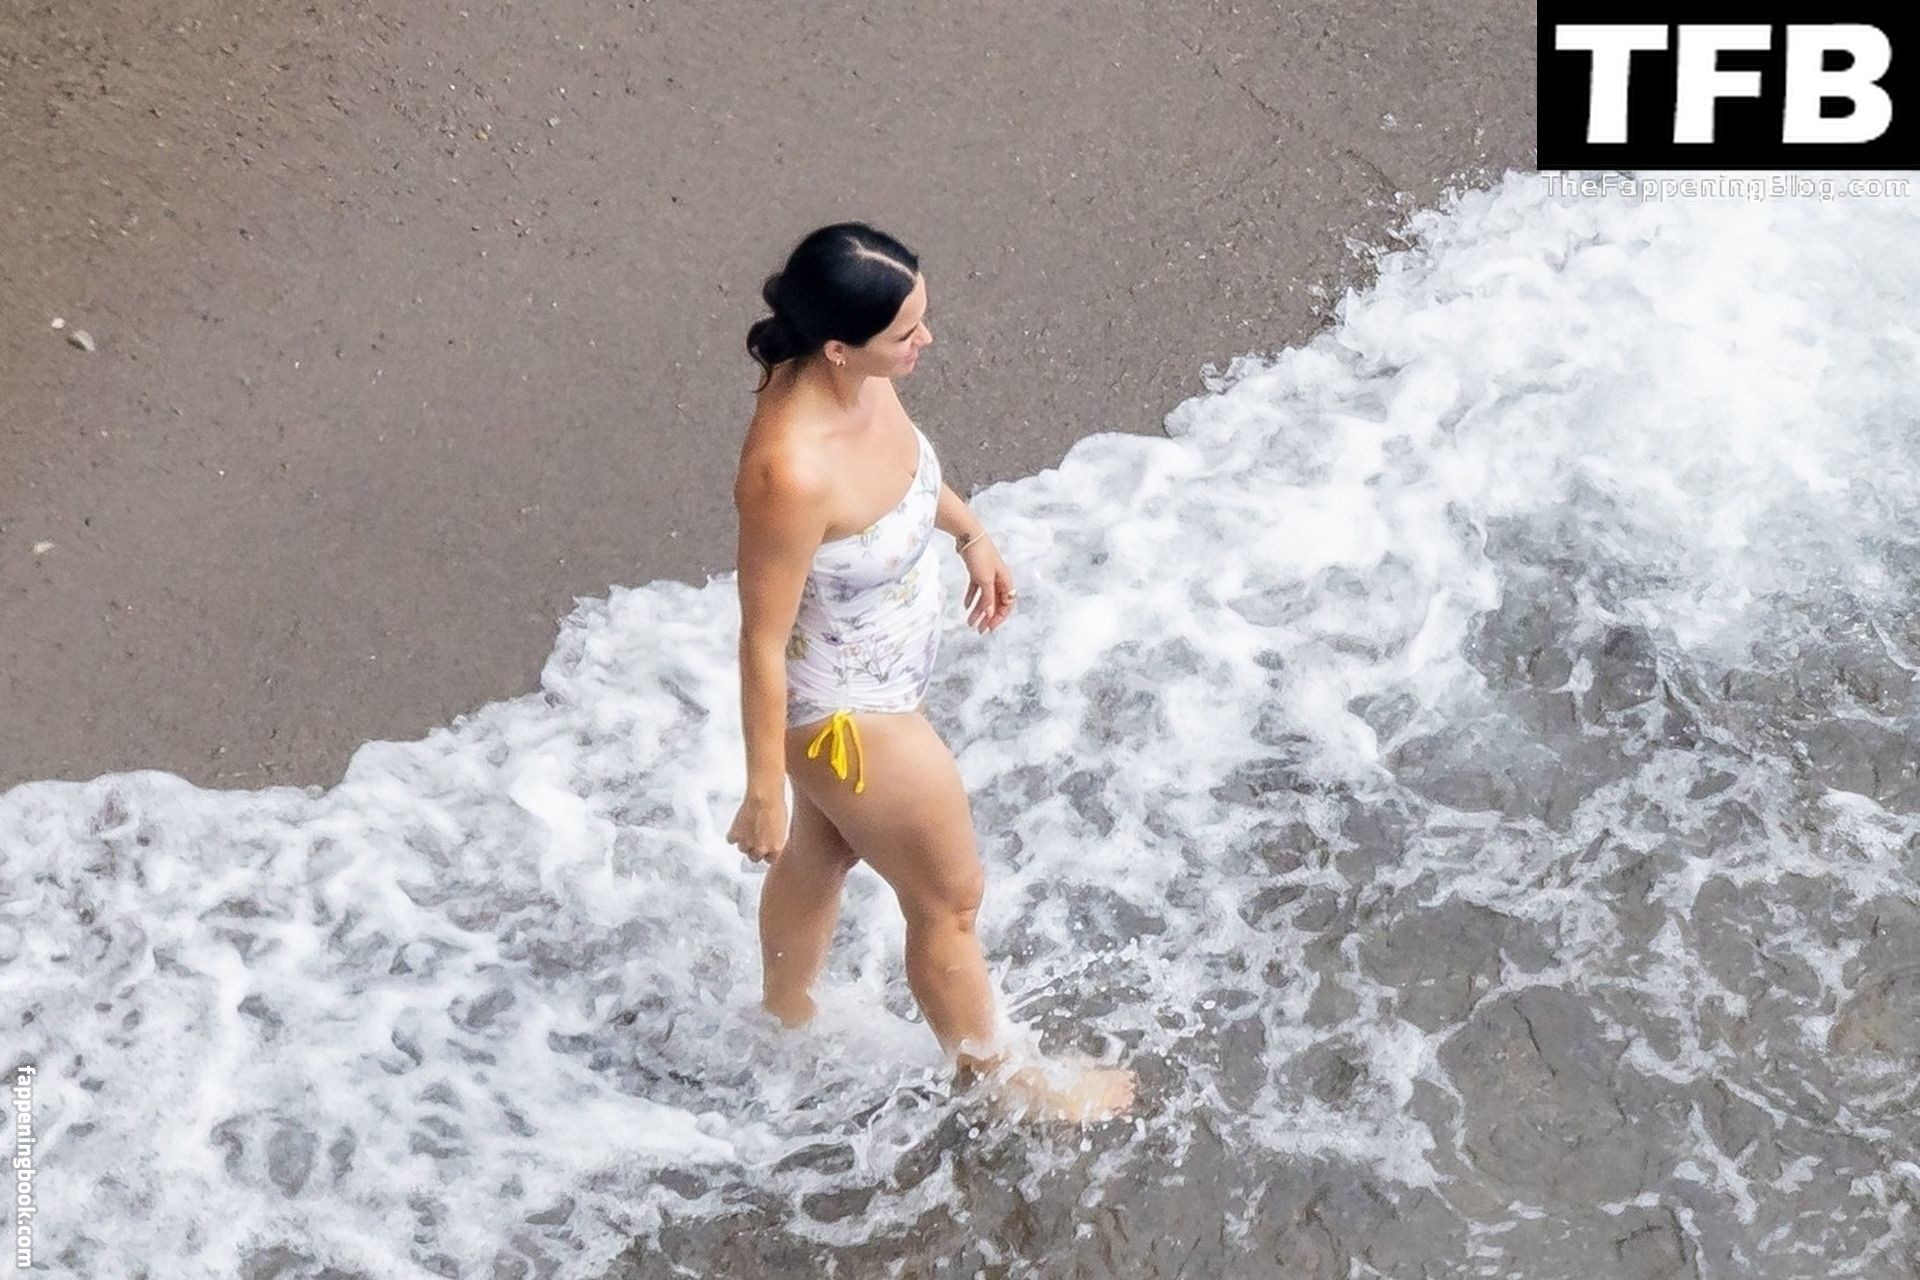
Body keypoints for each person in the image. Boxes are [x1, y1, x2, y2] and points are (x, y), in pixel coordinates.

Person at [725, 222, 1135, 1123]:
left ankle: (783, 1017)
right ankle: (1004, 1084)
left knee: (826, 850)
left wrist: (969, 532)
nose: (927, 341)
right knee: (950, 903)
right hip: (846, 716)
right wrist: (763, 792)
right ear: (840, 347)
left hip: (880, 683)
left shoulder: (857, 376)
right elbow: (759, 640)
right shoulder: (789, 472)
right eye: (906, 332)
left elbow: (905, 477)